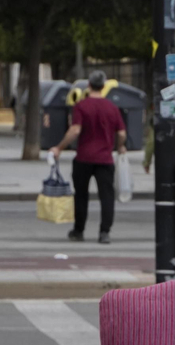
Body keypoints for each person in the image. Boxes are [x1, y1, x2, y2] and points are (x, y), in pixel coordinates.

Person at [50, 70, 127, 244]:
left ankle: (79, 231)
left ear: (89, 85)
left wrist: (59, 147)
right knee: (106, 196)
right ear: (104, 86)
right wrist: (120, 146)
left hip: (84, 158)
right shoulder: (112, 108)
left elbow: (75, 130)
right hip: (105, 159)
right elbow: (122, 133)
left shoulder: (81, 106)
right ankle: (104, 232)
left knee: (81, 195)